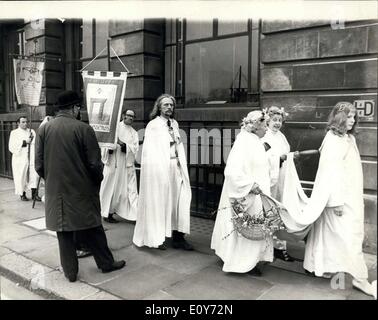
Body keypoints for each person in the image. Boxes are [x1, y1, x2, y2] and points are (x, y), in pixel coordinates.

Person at [35, 90, 125, 282]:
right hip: (82, 190)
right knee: (93, 227)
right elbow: (94, 164)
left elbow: (39, 165)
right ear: (75, 108)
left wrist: (52, 180)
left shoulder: (44, 129)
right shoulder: (84, 129)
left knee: (64, 232)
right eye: (78, 108)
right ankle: (106, 264)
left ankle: (70, 273)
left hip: (56, 191)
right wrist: (96, 181)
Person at [303, 102, 376, 298]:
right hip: (340, 199)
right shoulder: (333, 140)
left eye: (354, 117)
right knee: (350, 238)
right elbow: (329, 173)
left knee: (340, 236)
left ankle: (321, 266)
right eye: (349, 116)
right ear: (339, 117)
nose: (353, 120)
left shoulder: (348, 138)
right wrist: (336, 202)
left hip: (351, 195)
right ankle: (360, 279)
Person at [211, 110, 273, 276]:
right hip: (249, 192)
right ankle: (244, 262)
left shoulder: (255, 141)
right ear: (256, 126)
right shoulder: (244, 141)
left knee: (254, 227)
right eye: (265, 124)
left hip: (258, 192)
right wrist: (249, 185)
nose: (267, 128)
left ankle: (251, 259)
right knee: (249, 227)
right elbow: (232, 170)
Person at [133, 94, 193, 250]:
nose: (169, 108)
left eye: (171, 105)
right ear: (159, 107)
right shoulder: (153, 125)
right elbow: (150, 151)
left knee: (179, 201)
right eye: (166, 105)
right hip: (160, 170)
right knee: (160, 202)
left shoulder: (174, 123)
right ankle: (156, 236)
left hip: (176, 167)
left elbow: (178, 145)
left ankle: (178, 238)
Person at [261, 106, 297, 262]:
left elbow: (285, 153)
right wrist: (279, 158)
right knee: (268, 211)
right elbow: (262, 157)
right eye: (274, 120)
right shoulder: (264, 136)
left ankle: (280, 247)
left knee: (280, 211)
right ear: (268, 120)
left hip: (281, 177)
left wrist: (288, 157)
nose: (277, 123)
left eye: (280, 121)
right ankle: (266, 247)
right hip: (269, 179)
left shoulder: (281, 137)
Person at [100, 109, 139, 223]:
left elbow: (135, 149)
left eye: (132, 116)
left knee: (127, 190)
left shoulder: (134, 133)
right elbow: (104, 143)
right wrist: (109, 148)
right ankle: (106, 213)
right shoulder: (114, 128)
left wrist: (124, 145)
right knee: (109, 187)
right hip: (112, 163)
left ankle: (132, 214)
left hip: (125, 164)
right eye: (128, 115)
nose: (130, 118)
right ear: (123, 116)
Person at [8, 116, 41, 202]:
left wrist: (32, 139)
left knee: (34, 175)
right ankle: (22, 194)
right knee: (21, 175)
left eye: (26, 122)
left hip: (31, 156)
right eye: (23, 122)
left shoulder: (31, 131)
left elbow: (36, 143)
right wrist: (24, 142)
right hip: (20, 158)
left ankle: (34, 194)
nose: (25, 123)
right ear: (18, 123)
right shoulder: (14, 133)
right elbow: (11, 147)